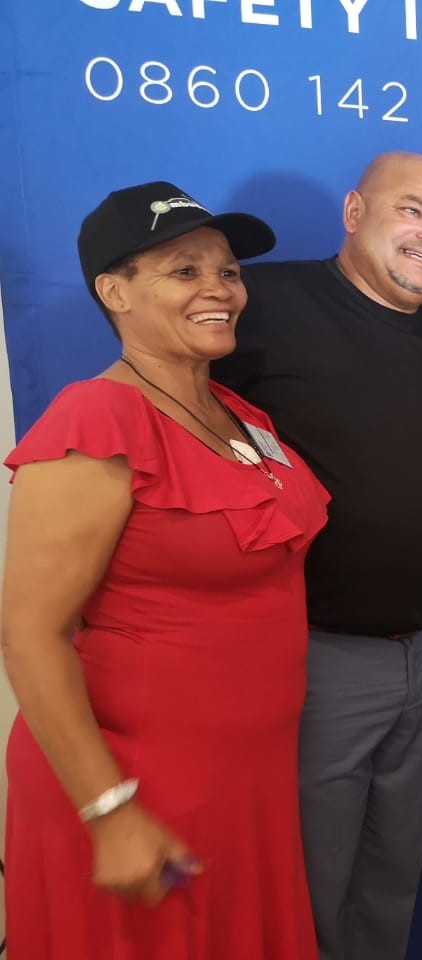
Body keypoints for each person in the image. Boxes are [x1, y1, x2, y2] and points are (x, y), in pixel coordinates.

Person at [2, 181, 330, 959]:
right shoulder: (95, 418)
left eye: (228, 272)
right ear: (113, 291)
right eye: (186, 271)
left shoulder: (246, 417)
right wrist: (109, 809)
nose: (219, 289)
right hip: (141, 783)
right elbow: (28, 634)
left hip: (247, 784)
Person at [211, 152, 422, 960]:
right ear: (355, 211)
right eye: (412, 212)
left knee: (393, 874)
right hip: (321, 656)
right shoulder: (265, 304)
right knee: (308, 879)